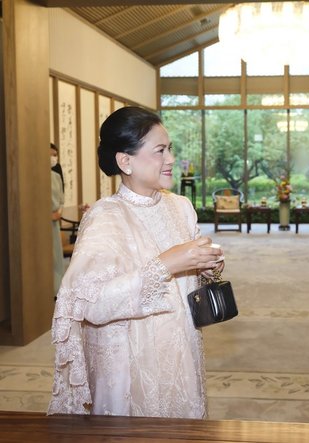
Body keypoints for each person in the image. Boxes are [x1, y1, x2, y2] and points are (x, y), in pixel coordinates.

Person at [48, 106, 224, 418]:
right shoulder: (105, 217)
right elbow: (90, 303)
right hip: (134, 367)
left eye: (169, 148)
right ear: (125, 161)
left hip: (183, 351)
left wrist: (206, 267)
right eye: (159, 151)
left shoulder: (181, 207)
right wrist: (166, 264)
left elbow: (189, 280)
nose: (170, 159)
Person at [50, 144, 65, 296]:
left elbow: (61, 200)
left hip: (54, 223)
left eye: (55, 154)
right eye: (50, 154)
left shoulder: (56, 176)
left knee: (56, 260)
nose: (53, 157)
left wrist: (58, 213)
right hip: (43, 223)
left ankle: (56, 292)